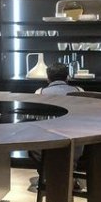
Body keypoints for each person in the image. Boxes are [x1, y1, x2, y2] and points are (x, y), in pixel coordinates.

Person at [32, 62, 84, 190]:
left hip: (46, 143)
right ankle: (71, 176)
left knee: (33, 139)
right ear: (67, 77)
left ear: (48, 78)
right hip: (75, 142)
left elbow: (35, 117)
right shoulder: (80, 91)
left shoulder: (39, 92)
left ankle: (45, 176)